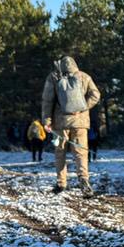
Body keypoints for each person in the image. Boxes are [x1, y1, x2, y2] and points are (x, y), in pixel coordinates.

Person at [40, 55, 100, 195]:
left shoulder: (54, 77)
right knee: (81, 153)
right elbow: (96, 94)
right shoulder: (84, 76)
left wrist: (46, 122)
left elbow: (47, 101)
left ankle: (61, 183)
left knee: (60, 152)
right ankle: (83, 179)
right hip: (80, 123)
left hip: (59, 124)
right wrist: (83, 107)